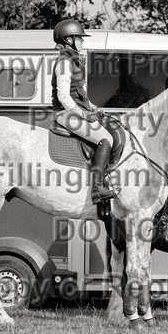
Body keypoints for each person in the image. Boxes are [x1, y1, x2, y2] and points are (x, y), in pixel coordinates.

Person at [51, 19, 120, 204]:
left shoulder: (75, 62)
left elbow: (80, 94)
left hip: (75, 110)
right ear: (68, 40)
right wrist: (83, 114)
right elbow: (64, 97)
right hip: (63, 113)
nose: (83, 41)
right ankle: (97, 189)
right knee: (105, 140)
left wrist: (93, 108)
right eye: (79, 38)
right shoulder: (64, 63)